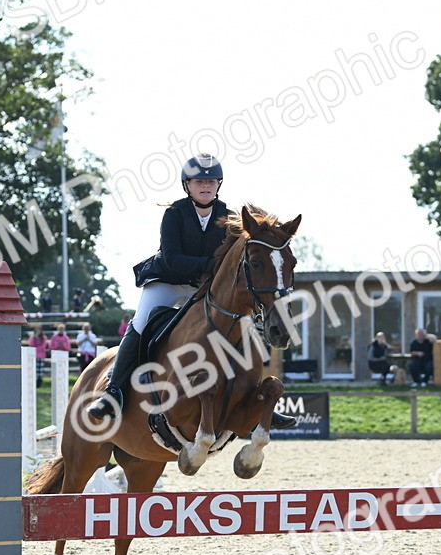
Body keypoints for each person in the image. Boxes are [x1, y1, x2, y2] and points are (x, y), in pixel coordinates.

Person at [85, 153, 294, 429]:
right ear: (188, 186)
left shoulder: (229, 217)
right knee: (141, 322)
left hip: (203, 287)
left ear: (218, 185)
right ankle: (113, 391)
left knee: (240, 325)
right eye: (199, 181)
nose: (205, 186)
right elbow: (172, 258)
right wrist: (210, 265)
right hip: (167, 281)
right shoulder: (174, 214)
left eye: (210, 181)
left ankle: (255, 398)